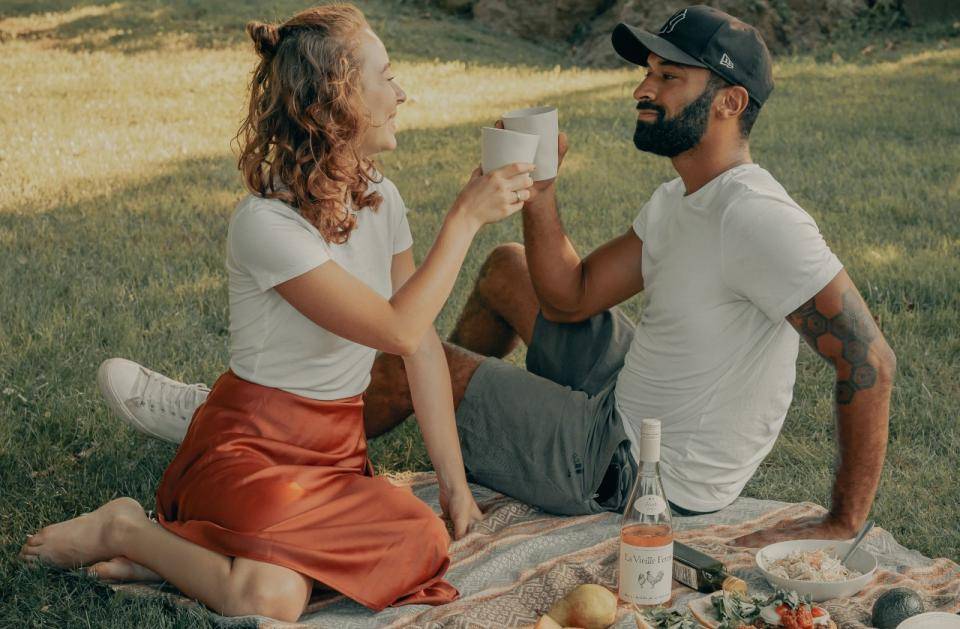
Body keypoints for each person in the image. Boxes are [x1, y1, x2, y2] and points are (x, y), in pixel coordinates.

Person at [95, 5, 894, 548]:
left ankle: (245, 427)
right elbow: (568, 294)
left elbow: (869, 359)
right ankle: (432, 400)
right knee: (508, 269)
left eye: (668, 78)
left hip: (634, 464)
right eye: (648, 72)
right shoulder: (683, 201)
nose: (643, 90)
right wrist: (540, 193)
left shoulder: (757, 217)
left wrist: (841, 520)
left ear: (729, 103)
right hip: (636, 391)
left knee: (409, 355)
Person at [19, 4, 537, 622]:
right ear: (335, 103)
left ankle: (186, 558)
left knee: (424, 538)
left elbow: (420, 345)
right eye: (386, 77)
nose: (402, 93)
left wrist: (455, 491)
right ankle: (126, 529)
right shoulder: (266, 224)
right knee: (272, 597)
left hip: (336, 457)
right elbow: (397, 330)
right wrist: (465, 219)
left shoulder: (382, 198)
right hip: (251, 450)